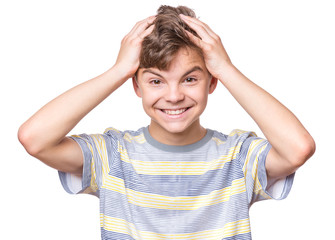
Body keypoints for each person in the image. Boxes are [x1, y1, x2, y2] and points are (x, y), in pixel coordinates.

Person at [18, 5, 315, 240]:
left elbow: (298, 148)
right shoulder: (111, 155)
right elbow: (34, 138)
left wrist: (225, 67)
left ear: (212, 83)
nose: (174, 96)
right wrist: (119, 70)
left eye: (190, 79)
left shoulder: (238, 157)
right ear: (136, 87)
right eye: (156, 80)